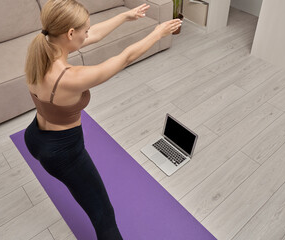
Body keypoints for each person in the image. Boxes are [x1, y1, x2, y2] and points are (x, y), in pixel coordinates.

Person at [23, 0, 182, 239]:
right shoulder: (70, 78)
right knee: (103, 216)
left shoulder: (39, 51)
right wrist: (157, 33)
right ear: (69, 33)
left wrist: (124, 17)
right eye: (84, 30)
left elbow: (93, 35)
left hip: (35, 135)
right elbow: (125, 57)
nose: (89, 33)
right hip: (63, 153)